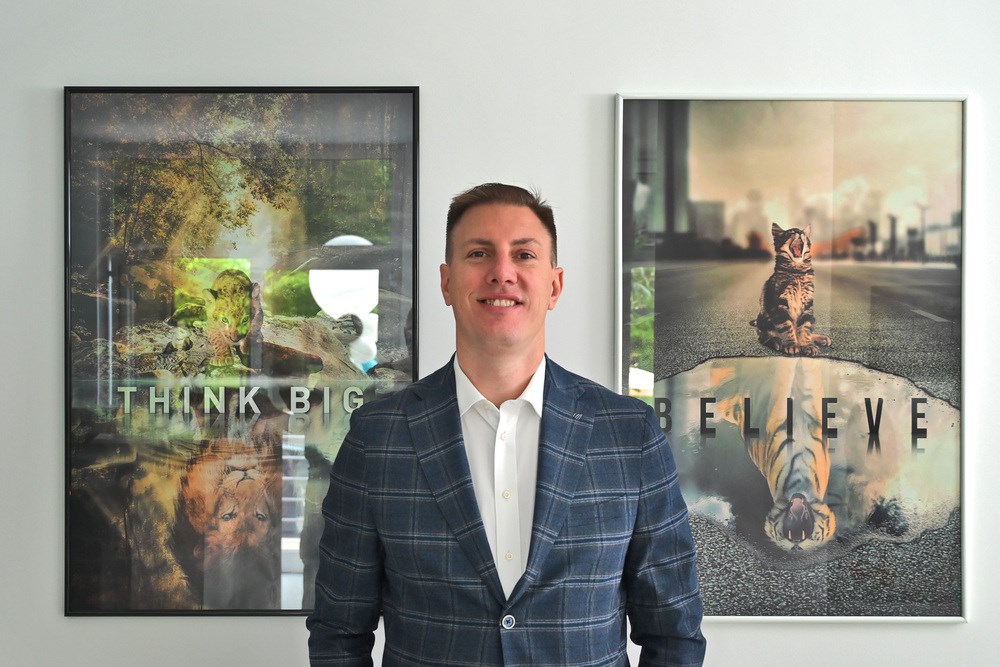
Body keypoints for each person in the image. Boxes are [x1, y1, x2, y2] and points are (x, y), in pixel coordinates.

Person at [307, 183, 706, 666]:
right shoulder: (377, 438)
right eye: (479, 253)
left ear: (554, 285)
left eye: (524, 255)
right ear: (447, 282)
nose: (502, 272)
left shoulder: (630, 435)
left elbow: (674, 635)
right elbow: (339, 634)